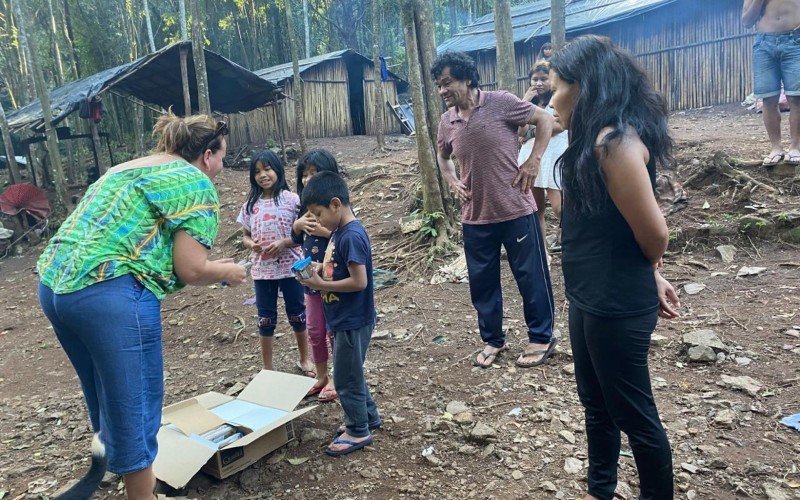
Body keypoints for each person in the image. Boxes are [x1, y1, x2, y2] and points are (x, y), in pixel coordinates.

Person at [37, 112, 247, 500]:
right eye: (221, 157)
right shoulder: (195, 182)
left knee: (104, 391)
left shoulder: (129, 167)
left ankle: (111, 465)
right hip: (109, 291)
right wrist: (228, 271)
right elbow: (191, 268)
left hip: (54, 286)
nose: (220, 166)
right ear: (206, 155)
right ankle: (142, 496)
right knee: (136, 400)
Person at [549, 35, 681, 499]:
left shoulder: (616, 144)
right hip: (588, 295)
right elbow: (613, 229)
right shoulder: (589, 142)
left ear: (583, 87)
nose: (551, 100)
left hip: (616, 303)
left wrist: (648, 271)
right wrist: (654, 272)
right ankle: (600, 490)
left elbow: (656, 234)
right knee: (595, 406)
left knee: (633, 415)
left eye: (556, 88)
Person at [432, 51, 558, 369]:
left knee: (531, 277)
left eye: (447, 83)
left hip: (516, 208)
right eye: (438, 85)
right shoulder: (447, 122)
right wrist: (451, 181)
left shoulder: (501, 102)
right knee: (483, 283)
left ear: (467, 78)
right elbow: (442, 156)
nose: (442, 90)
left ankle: (542, 337)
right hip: (475, 216)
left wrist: (534, 159)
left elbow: (544, 119)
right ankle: (492, 340)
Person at [296, 171, 381, 457]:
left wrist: (321, 284)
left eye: (318, 214)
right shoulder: (338, 234)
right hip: (344, 317)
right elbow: (340, 267)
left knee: (345, 377)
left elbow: (360, 281)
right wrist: (321, 269)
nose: (316, 222)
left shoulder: (352, 235)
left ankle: (358, 429)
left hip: (353, 319)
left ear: (335, 204)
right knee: (351, 371)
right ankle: (368, 416)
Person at [237, 150, 313, 375]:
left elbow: (303, 233)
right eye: (257, 171)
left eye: (267, 168)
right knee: (265, 318)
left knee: (298, 314)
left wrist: (284, 243)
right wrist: (252, 245)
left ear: (278, 170)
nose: (263, 175)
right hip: (263, 270)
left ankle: (304, 358)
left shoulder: (293, 200)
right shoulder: (251, 205)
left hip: (292, 268)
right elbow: (245, 235)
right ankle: (267, 368)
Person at [292, 149, 340, 402]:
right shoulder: (303, 208)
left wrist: (323, 232)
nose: (308, 178)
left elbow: (347, 235)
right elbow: (294, 239)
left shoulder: (336, 206)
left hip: (333, 281)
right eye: (304, 174)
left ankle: (337, 378)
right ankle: (321, 376)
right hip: (310, 281)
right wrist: (297, 226)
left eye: (314, 173)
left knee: (333, 330)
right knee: (314, 329)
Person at [518, 60, 568, 256]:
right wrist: (524, 101)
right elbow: (519, 129)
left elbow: (559, 126)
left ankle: (571, 240)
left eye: (543, 79)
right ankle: (543, 252)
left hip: (553, 153)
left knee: (559, 206)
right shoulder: (528, 103)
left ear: (551, 80)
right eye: (535, 79)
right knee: (535, 208)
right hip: (530, 156)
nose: (539, 83)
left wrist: (531, 133)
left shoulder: (557, 99)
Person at [742, 0, 800, 166]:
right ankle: (776, 148)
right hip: (764, 44)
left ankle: (795, 147)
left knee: (796, 98)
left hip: (795, 41)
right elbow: (746, 22)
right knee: (768, 99)